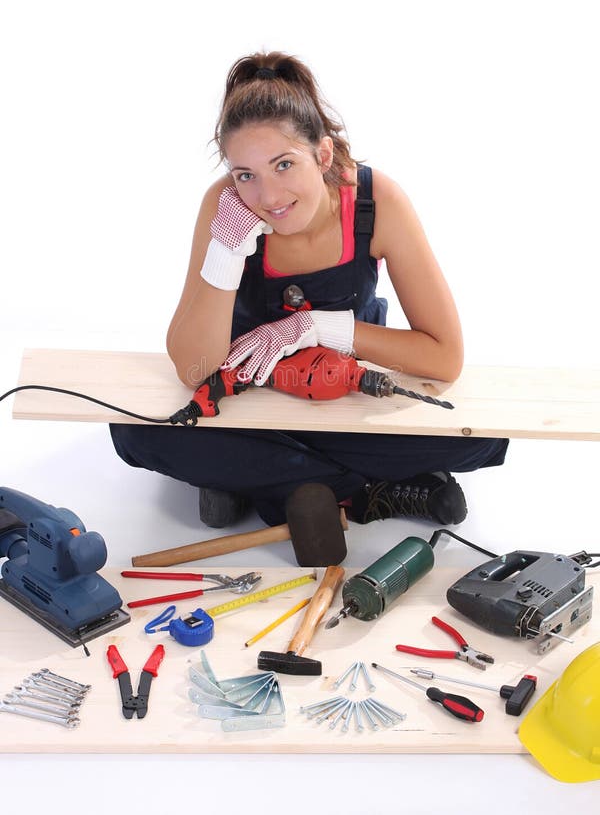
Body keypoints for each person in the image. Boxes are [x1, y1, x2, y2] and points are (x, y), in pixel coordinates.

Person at [110, 51, 508, 529]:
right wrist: (226, 252)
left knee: (477, 438)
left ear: (321, 154)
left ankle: (250, 479)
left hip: (346, 400)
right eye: (245, 175)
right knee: (136, 432)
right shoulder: (225, 205)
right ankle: (369, 491)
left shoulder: (376, 202)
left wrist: (318, 327)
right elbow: (193, 368)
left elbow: (444, 358)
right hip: (250, 400)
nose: (268, 197)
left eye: (283, 164)